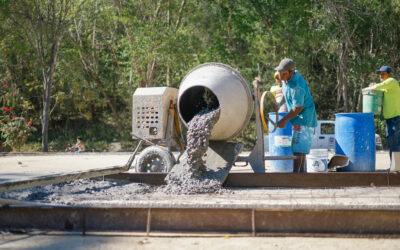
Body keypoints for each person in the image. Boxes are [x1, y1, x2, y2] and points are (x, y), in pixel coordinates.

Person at [274, 58, 318, 173]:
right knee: (299, 149)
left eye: (283, 73)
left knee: (299, 149)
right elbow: (284, 91)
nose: (280, 75)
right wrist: (278, 104)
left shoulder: (297, 86)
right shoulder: (285, 78)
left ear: (291, 72)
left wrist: (284, 120)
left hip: (304, 119)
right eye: (279, 72)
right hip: (298, 119)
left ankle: (296, 176)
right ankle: (301, 176)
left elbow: (298, 108)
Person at [364, 66, 400, 172]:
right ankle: (395, 167)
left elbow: (380, 86)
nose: (381, 75)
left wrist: (368, 88)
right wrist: (374, 86)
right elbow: (380, 87)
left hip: (395, 118)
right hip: (390, 119)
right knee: (392, 142)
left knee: (394, 143)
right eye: (380, 74)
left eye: (383, 73)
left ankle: (396, 168)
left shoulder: (392, 81)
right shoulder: (387, 87)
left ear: (390, 74)